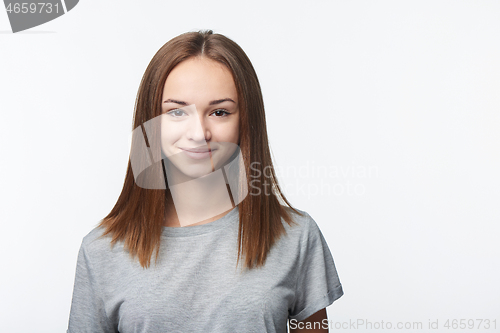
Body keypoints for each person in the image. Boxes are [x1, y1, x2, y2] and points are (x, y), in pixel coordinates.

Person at [67, 30, 343, 333]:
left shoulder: (296, 238)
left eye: (220, 112)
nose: (199, 133)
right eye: (176, 111)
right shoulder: (101, 250)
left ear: (245, 122)